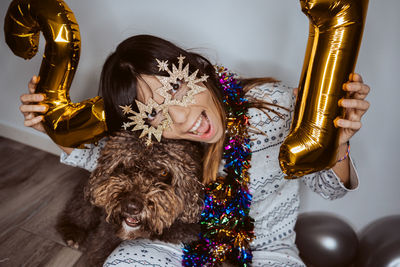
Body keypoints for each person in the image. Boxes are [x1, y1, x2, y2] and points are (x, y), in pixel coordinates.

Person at [19, 35, 370, 266]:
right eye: (155, 112)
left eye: (177, 89)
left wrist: (337, 144)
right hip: (179, 245)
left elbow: (328, 189)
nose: (184, 117)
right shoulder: (156, 140)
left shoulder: (274, 107)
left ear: (196, 69)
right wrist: (50, 127)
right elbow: (108, 164)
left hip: (267, 252)